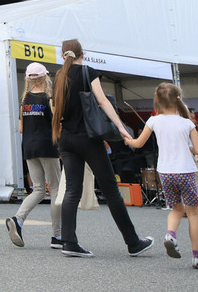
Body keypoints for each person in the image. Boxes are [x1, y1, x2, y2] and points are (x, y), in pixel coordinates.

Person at [49, 39, 152, 258]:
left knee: (72, 191)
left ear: (63, 55)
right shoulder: (88, 71)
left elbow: (56, 107)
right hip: (88, 138)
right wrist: (121, 127)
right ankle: (133, 242)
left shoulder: (59, 76)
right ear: (82, 54)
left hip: (66, 138)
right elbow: (103, 101)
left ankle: (68, 242)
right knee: (111, 190)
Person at [123, 83, 198, 268]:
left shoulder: (154, 121)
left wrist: (127, 139)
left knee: (176, 209)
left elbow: (138, 143)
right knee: (193, 213)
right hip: (185, 171)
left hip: (165, 172)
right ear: (178, 99)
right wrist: (187, 146)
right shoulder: (187, 123)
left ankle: (170, 234)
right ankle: (197, 257)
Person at [7, 62, 63, 249]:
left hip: (29, 147)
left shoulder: (25, 101)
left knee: (38, 189)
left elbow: (21, 127)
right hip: (47, 146)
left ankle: (18, 218)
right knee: (55, 190)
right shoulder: (50, 98)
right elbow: (57, 126)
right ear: (45, 77)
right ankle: (57, 236)